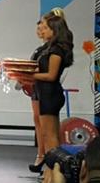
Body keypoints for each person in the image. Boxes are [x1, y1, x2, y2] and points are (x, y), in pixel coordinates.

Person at [33, 13, 74, 182]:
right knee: (50, 137)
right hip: (46, 94)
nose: (43, 30)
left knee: (50, 138)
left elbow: (51, 76)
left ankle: (54, 173)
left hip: (51, 94)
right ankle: (52, 173)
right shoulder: (49, 48)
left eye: (47, 28)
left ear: (55, 30)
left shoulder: (57, 50)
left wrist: (31, 76)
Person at [29, 20, 49, 173]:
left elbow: (52, 74)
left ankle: (48, 159)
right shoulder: (40, 49)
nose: (40, 30)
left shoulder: (54, 49)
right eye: (39, 27)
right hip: (36, 88)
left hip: (47, 89)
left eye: (44, 27)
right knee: (37, 120)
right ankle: (41, 154)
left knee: (46, 124)